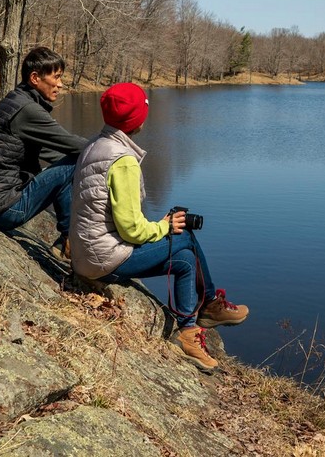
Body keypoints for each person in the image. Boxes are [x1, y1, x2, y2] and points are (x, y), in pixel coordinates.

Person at [69, 82, 249, 373]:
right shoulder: (123, 161)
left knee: (185, 261)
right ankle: (210, 304)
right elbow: (131, 229)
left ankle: (189, 331)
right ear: (136, 118)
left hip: (85, 254)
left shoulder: (95, 145)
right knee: (184, 235)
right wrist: (164, 226)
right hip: (103, 258)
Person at [0, 47, 88, 248]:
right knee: (79, 160)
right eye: (56, 77)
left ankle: (67, 239)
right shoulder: (27, 110)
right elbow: (76, 145)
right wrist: (114, 149)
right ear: (35, 78)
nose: (60, 84)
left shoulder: (17, 100)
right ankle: (70, 242)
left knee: (70, 163)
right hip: (4, 210)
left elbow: (53, 153)